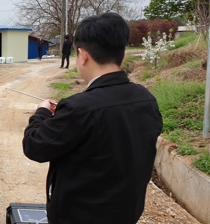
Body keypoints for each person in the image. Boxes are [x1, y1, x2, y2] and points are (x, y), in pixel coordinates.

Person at [22, 12, 162, 224]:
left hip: (79, 216)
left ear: (82, 55)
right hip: (126, 214)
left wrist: (42, 112)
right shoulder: (146, 99)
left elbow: (34, 146)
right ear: (122, 56)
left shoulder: (79, 108)